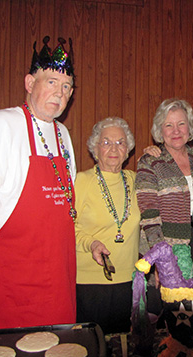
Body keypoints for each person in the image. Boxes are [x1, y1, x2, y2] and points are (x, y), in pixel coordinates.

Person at [0, 36, 77, 330]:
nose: (59, 93)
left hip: (59, 287)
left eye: (66, 87)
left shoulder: (63, 134)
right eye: (50, 82)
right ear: (29, 83)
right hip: (11, 287)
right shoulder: (0, 126)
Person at [75, 117, 140, 334]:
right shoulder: (81, 181)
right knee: (91, 347)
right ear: (95, 147)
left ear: (128, 149)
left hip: (128, 280)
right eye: (106, 142)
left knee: (121, 346)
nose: (114, 148)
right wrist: (90, 243)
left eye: (120, 142)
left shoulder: (136, 181)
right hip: (89, 281)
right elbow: (66, 228)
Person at [136, 98, 193, 261]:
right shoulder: (150, 162)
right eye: (168, 125)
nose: (176, 131)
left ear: (189, 127)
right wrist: (160, 256)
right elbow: (149, 215)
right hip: (166, 246)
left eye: (181, 124)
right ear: (160, 130)